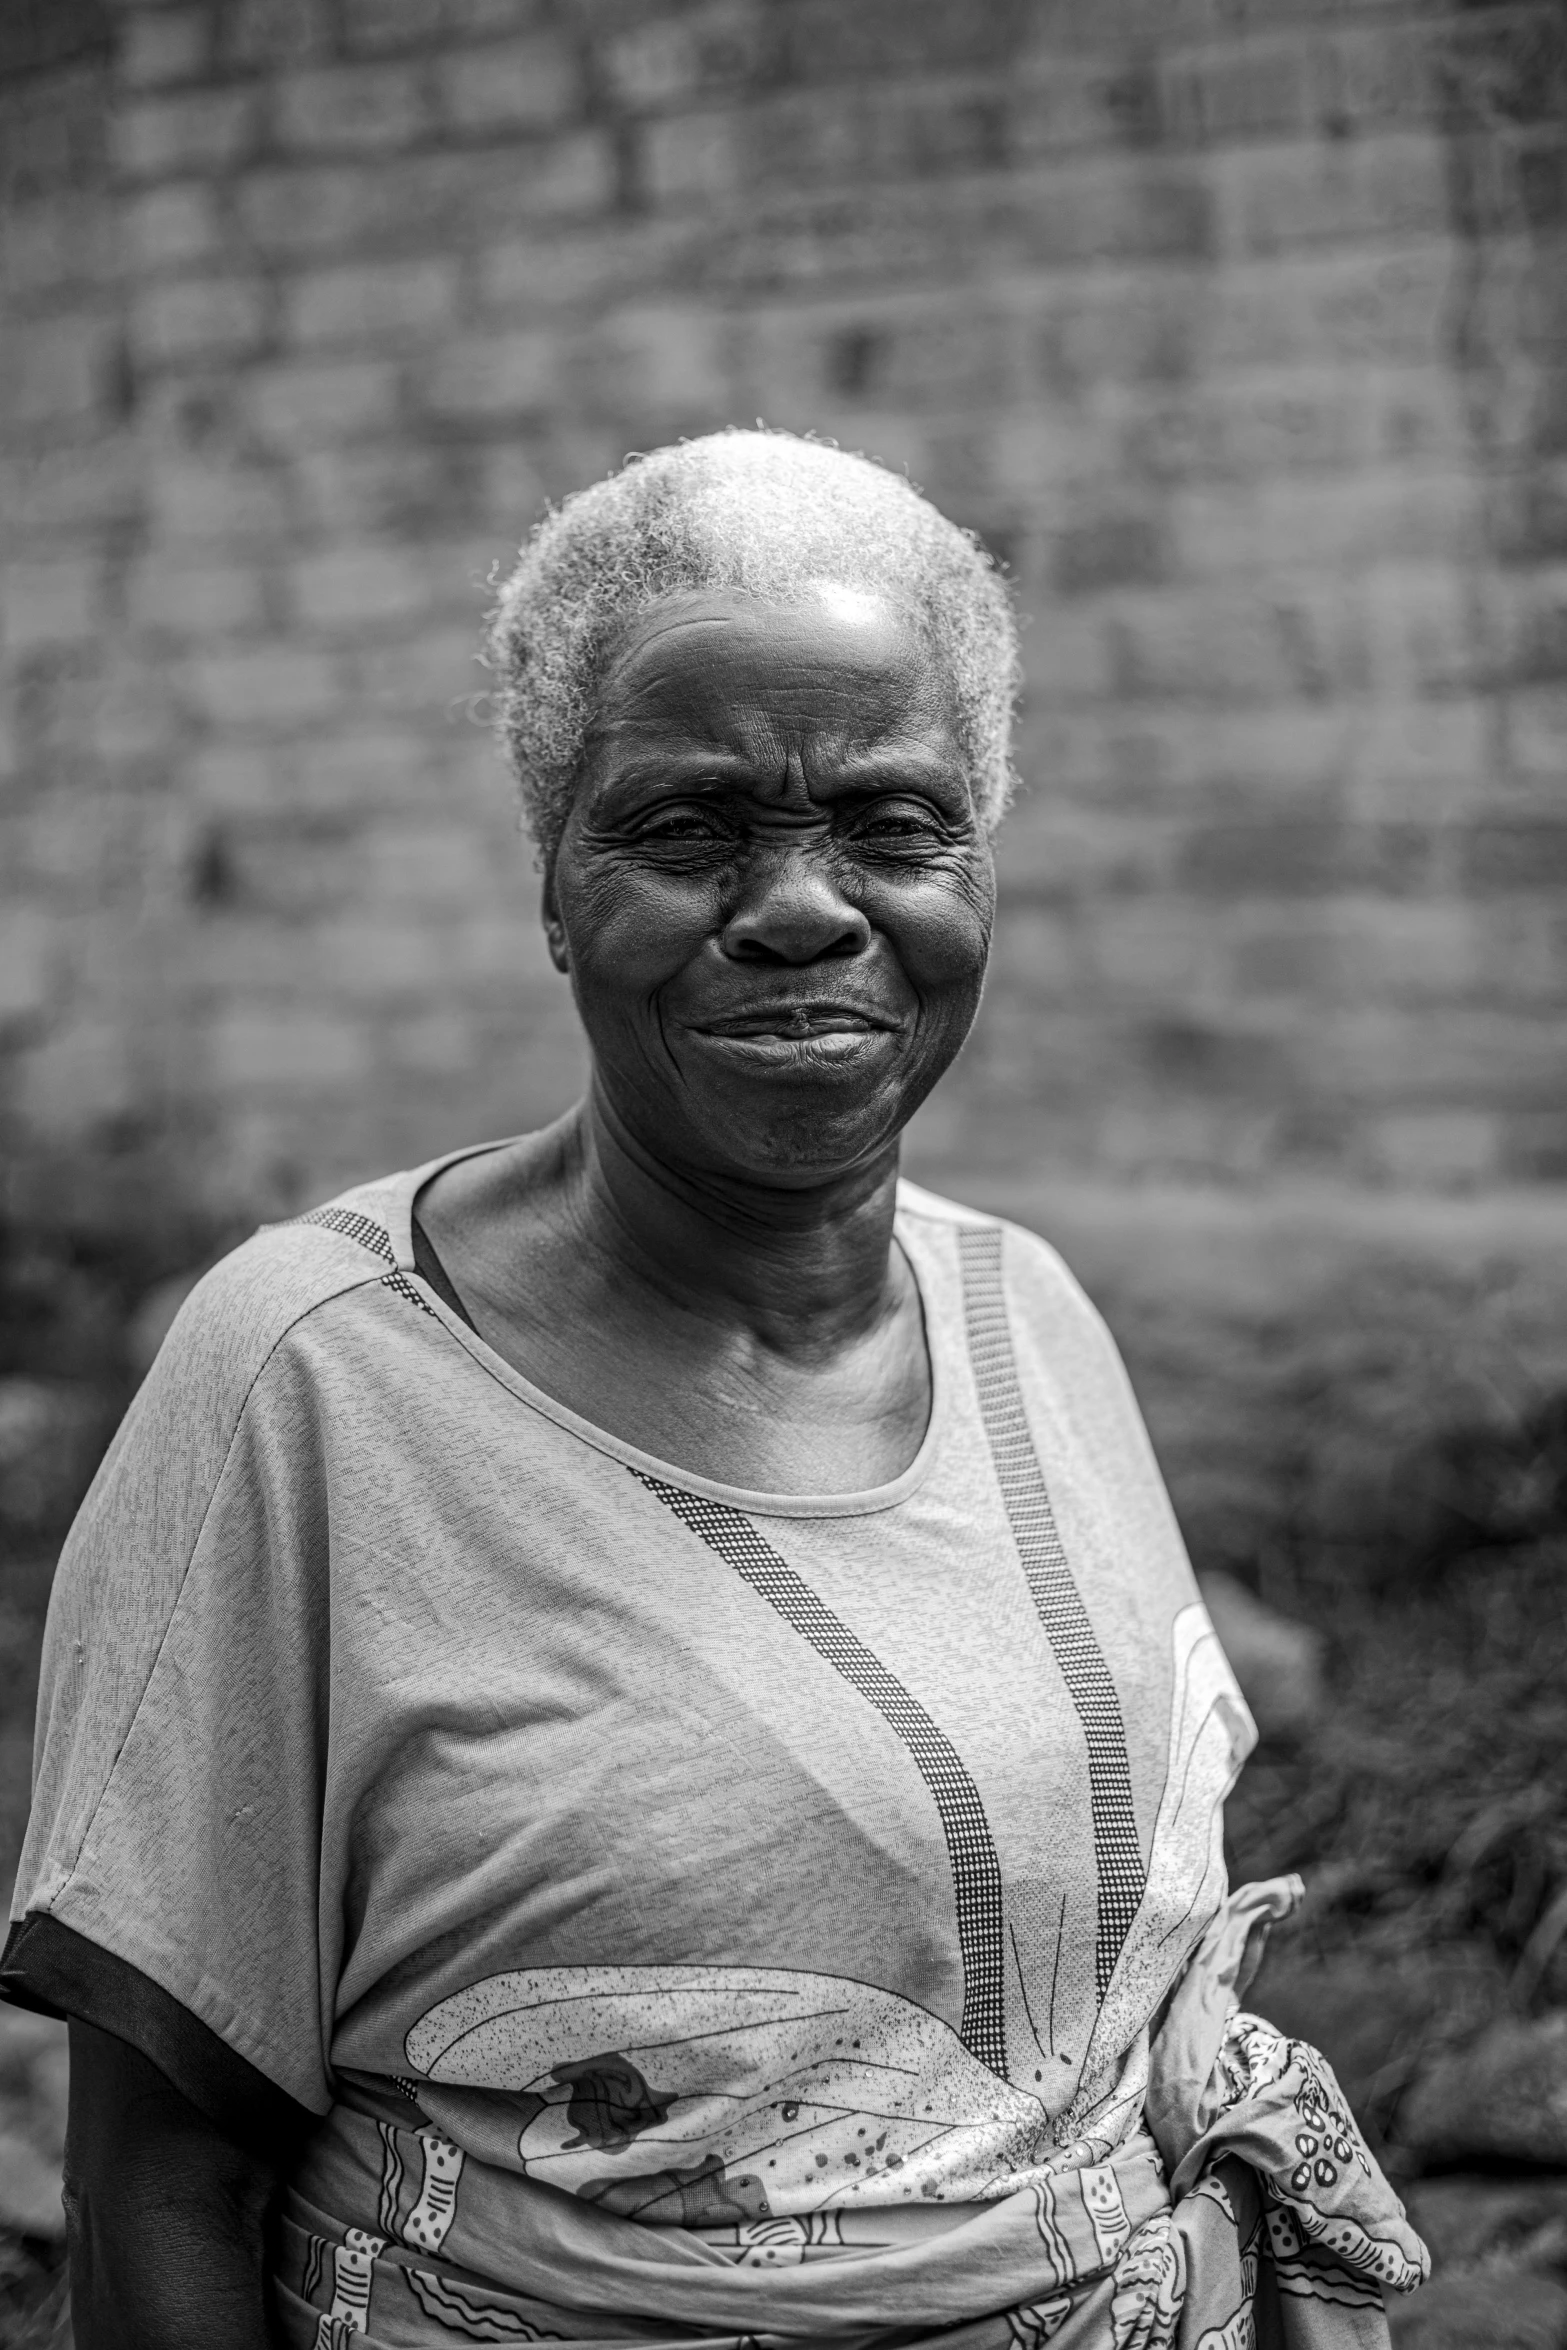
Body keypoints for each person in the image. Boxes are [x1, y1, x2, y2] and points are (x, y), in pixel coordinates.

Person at [1, 432, 1425, 2348]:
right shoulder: (313, 1383)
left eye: (893, 823)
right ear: (556, 888)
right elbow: (160, 2189)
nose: (802, 908)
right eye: (689, 829)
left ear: (977, 863)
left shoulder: (1028, 1309)